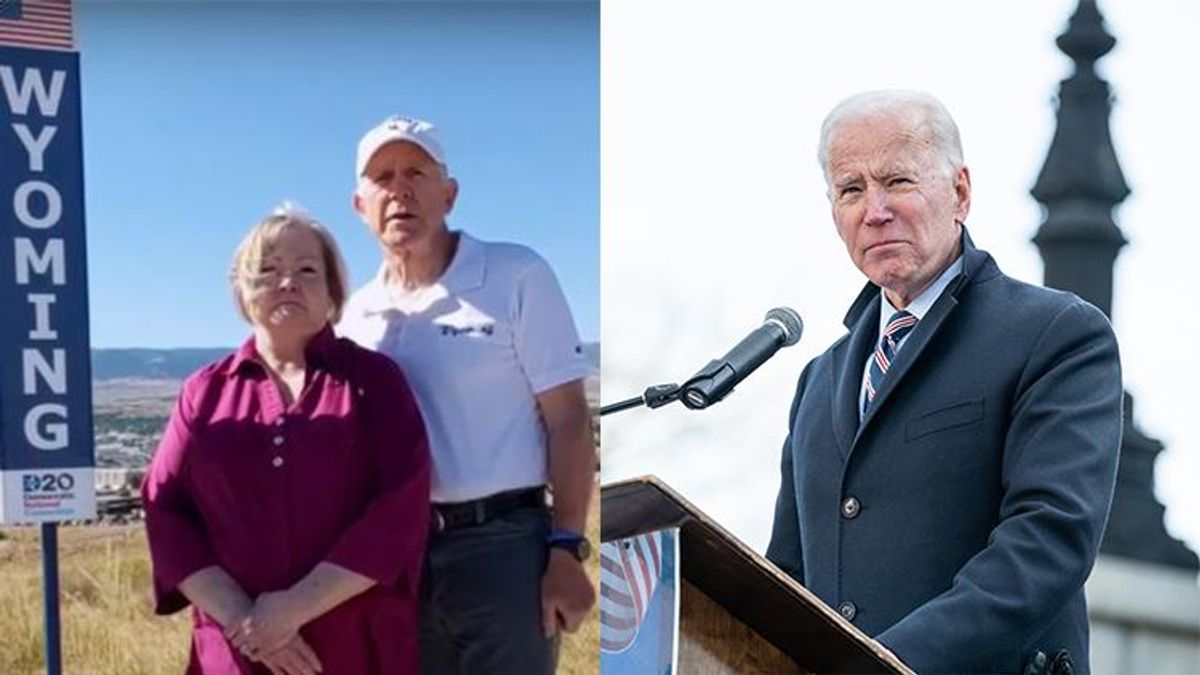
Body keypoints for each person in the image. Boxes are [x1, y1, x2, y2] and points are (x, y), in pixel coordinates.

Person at [765, 91, 1122, 675]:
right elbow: (787, 578)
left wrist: (885, 664)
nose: (873, 210)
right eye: (850, 190)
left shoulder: (1056, 335)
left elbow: (1046, 545)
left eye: (898, 181)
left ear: (960, 192)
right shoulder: (820, 381)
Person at [337, 116, 596, 674]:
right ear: (360, 204)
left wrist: (567, 546)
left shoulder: (515, 274)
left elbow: (569, 419)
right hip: (396, 557)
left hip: (505, 549)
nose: (399, 189)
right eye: (383, 177)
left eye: (416, 172)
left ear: (448, 192)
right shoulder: (353, 318)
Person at [142, 206, 431, 674]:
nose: (287, 282)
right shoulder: (204, 391)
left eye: (306, 270)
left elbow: (400, 508)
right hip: (236, 649)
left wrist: (292, 610)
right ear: (241, 288)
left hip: (353, 645)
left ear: (332, 291)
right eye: (268, 270)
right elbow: (164, 507)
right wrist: (247, 621)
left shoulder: (374, 382)